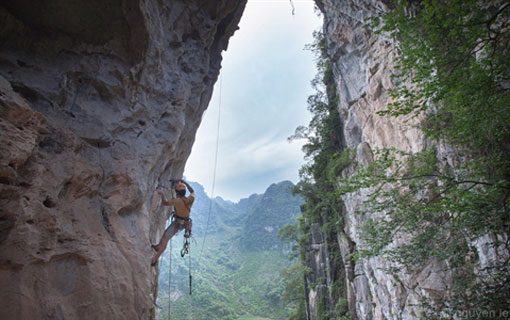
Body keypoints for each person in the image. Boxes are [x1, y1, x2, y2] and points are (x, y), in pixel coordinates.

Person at [151, 179, 195, 266]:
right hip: (183, 223)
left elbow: (165, 203)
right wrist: (184, 182)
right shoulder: (191, 199)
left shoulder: (177, 201)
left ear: (177, 192)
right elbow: (192, 191)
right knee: (164, 235)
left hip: (177, 224)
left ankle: (155, 259)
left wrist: (162, 194)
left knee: (165, 239)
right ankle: (157, 247)